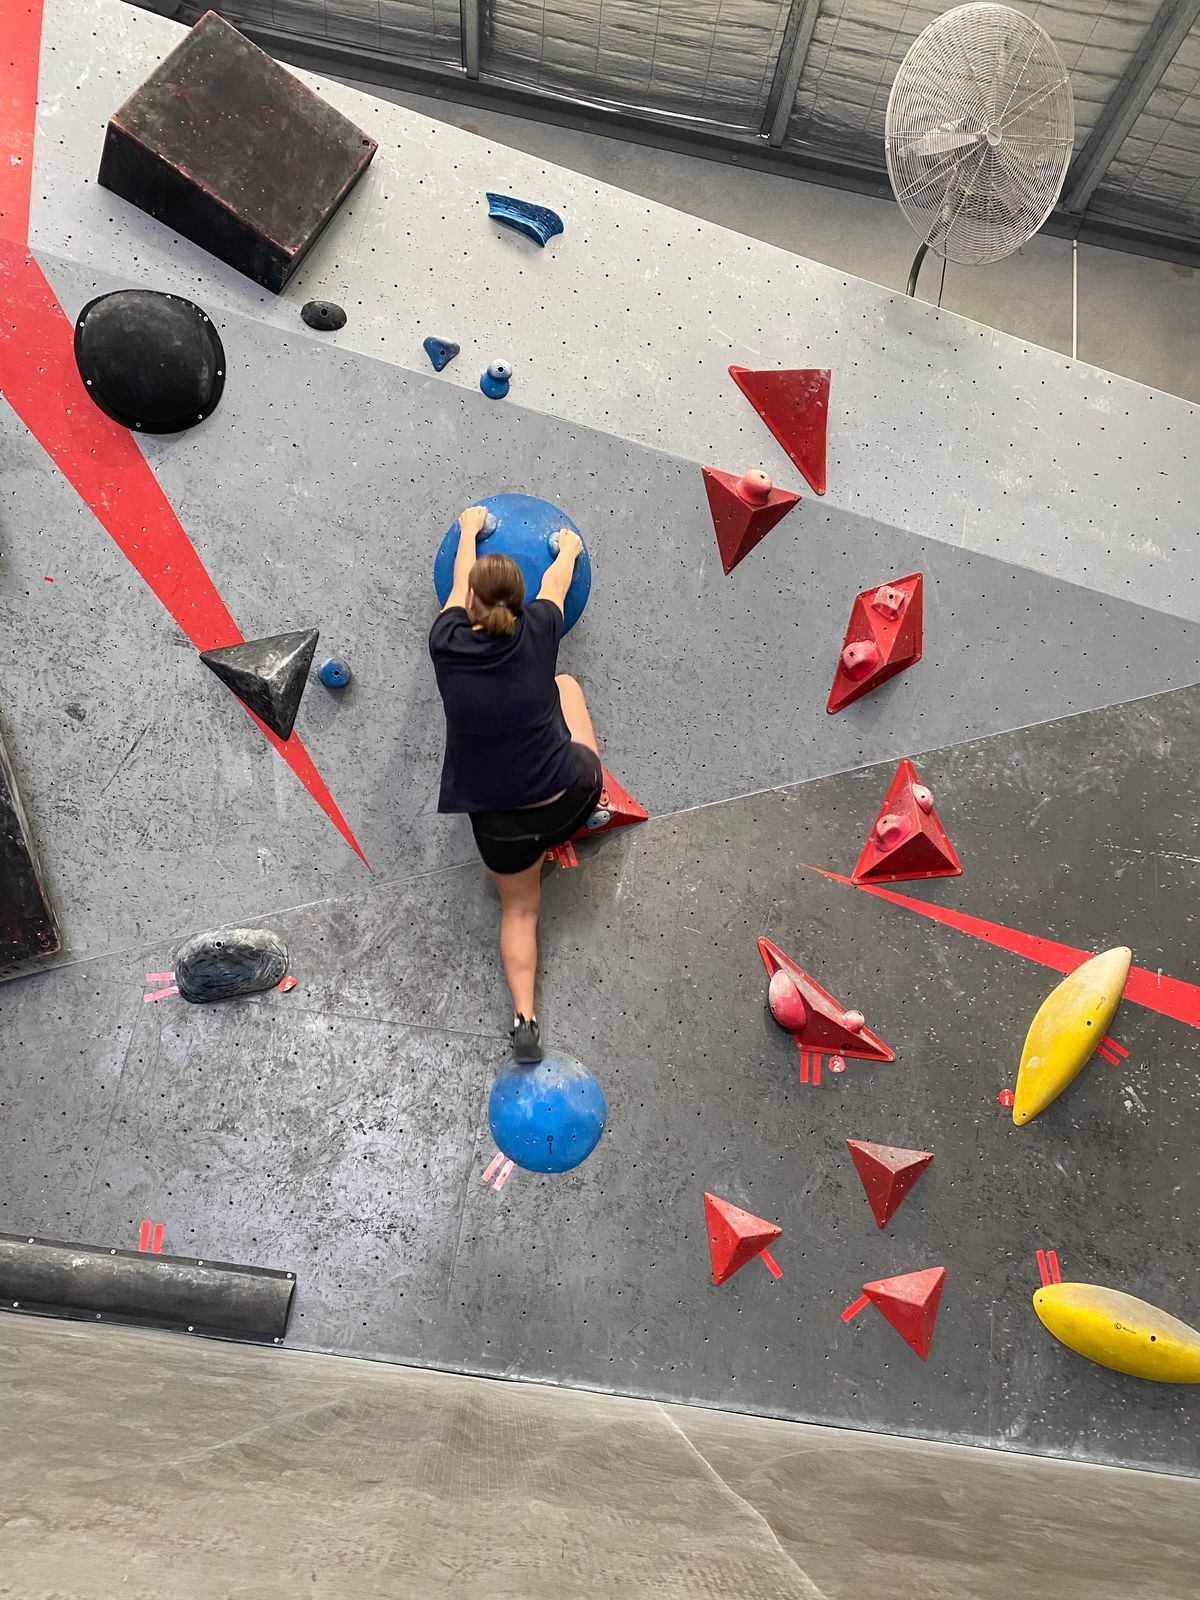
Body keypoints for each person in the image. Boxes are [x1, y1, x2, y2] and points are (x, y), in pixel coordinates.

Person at [429, 506, 602, 1064]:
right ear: (519, 601)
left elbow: (458, 582)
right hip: (565, 798)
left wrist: (469, 530)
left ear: (473, 602)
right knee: (566, 685)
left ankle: (525, 1018)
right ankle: (595, 810)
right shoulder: (541, 627)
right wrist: (568, 547)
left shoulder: (446, 641)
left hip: (502, 826)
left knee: (521, 911)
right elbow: (558, 582)